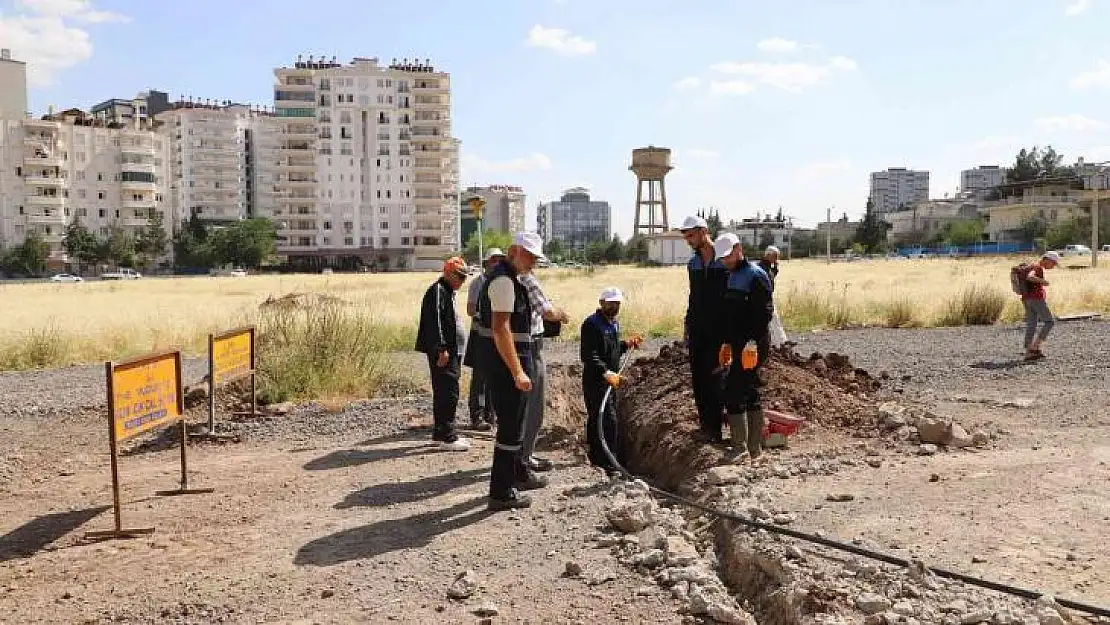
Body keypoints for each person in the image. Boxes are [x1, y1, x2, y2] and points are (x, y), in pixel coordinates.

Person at [475, 232, 548, 511]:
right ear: (514, 251)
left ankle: (516, 475)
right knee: (510, 427)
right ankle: (502, 492)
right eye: (529, 256)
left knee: (515, 424)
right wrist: (518, 372)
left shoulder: (508, 277)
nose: (533, 263)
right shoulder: (504, 281)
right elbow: (500, 328)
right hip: (507, 364)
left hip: (509, 360)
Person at [714, 233, 774, 462]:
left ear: (739, 249)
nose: (726, 261)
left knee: (734, 389)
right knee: (748, 390)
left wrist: (752, 343)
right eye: (723, 259)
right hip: (739, 343)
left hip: (754, 344)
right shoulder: (732, 276)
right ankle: (753, 450)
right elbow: (731, 315)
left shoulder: (756, 276)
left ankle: (742, 447)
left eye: (729, 256)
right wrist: (728, 342)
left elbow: (764, 313)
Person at [580, 287, 642, 472]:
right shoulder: (592, 324)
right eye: (611, 303)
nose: (615, 306)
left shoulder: (613, 323)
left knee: (604, 419)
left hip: (610, 381)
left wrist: (626, 344)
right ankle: (607, 462)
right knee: (605, 420)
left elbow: (611, 350)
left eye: (617, 303)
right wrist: (605, 372)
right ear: (601, 303)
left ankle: (601, 458)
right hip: (596, 381)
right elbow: (588, 355)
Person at [680, 215, 729, 443]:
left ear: (703, 232)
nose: (688, 240)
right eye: (686, 237)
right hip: (698, 328)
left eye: (691, 235)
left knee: (717, 376)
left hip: (720, 329)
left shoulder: (724, 260)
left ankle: (719, 428)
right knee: (698, 377)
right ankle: (706, 426)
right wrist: (688, 324)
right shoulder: (693, 264)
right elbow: (693, 297)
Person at [414, 256, 472, 451]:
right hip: (444, 352)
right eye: (459, 277)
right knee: (448, 392)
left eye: (464, 278)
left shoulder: (447, 291)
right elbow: (435, 321)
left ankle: (441, 433)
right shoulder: (438, 291)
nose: (462, 281)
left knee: (445, 391)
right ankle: (448, 436)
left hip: (451, 350)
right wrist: (441, 348)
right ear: (447, 273)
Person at [517, 271, 571, 474]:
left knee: (524, 407)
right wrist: (562, 314)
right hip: (531, 346)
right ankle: (524, 459)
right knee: (534, 409)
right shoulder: (527, 279)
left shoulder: (508, 278)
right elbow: (547, 312)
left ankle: (521, 456)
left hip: (522, 345)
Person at [463, 248, 505, 430]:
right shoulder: (477, 283)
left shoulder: (504, 283)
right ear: (487, 262)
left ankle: (491, 414)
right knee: (480, 376)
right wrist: (485, 313)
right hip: (481, 334)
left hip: (498, 335)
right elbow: (470, 310)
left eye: (500, 259)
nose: (497, 263)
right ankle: (477, 416)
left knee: (496, 376)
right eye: (494, 259)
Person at [1021, 251, 1059, 361]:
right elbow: (1029, 277)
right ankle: (1035, 347)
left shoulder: (1032, 265)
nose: (1053, 266)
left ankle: (1029, 352)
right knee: (1049, 322)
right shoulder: (1037, 267)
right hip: (1036, 299)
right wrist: (1043, 281)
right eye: (1053, 263)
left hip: (1027, 299)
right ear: (1047, 259)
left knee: (1031, 325)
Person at [759, 246, 789, 348]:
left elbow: (771, 276)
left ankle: (781, 342)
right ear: (769, 255)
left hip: (767, 297)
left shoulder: (766, 267)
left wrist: (775, 268)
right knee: (771, 320)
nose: (776, 259)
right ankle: (780, 343)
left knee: (774, 320)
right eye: (775, 256)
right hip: (763, 299)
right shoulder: (762, 267)